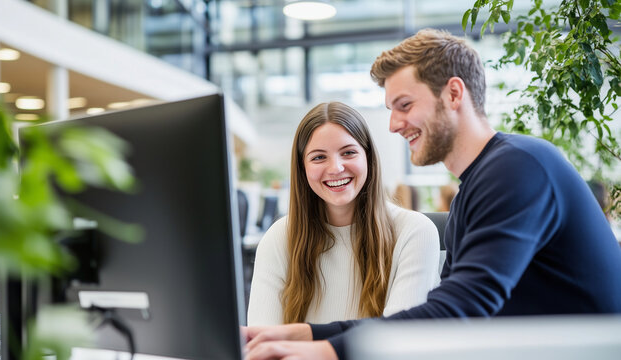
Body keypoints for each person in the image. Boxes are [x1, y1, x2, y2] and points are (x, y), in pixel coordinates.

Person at [243, 29, 621, 360]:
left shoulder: (518, 168)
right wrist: (310, 333)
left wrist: (327, 350)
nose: (393, 125)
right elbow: (441, 315)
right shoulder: (474, 190)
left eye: (404, 105)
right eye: (391, 110)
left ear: (453, 93)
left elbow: (461, 310)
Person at [247, 102, 441, 326]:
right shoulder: (279, 238)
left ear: (368, 157)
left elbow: (397, 338)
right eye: (319, 157)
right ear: (303, 169)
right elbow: (263, 343)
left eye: (348, 152)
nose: (336, 168)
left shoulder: (414, 232)